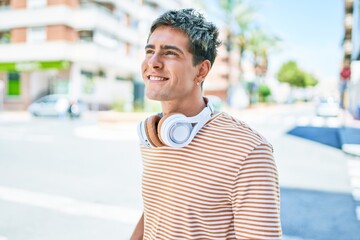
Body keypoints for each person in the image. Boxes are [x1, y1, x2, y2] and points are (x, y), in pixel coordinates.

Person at [131, 8, 282, 239]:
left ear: (201, 70)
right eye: (149, 51)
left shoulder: (249, 151)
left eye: (169, 53)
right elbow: (155, 211)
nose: (153, 62)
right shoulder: (155, 137)